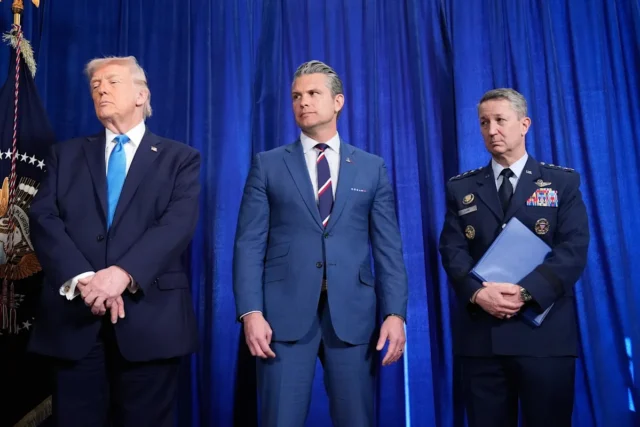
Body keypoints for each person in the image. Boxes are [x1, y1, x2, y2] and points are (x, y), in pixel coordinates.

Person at [27, 56, 201, 427]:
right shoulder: (65, 155)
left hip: (151, 321)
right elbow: (43, 218)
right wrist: (83, 278)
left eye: (112, 82)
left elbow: (176, 225)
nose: (101, 90)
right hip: (75, 319)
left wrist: (122, 274)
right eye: (95, 86)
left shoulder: (180, 159)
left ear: (141, 95)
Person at [233, 60, 408, 426]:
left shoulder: (371, 167)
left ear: (338, 101)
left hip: (353, 316)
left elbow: (388, 248)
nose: (304, 102)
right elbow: (248, 245)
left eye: (313, 93)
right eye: (297, 96)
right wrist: (251, 312)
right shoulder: (267, 165)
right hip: (281, 318)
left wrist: (395, 314)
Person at [439, 88, 590, 427]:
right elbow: (452, 249)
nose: (491, 130)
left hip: (544, 336)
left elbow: (573, 249)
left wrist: (524, 292)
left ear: (524, 124)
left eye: (500, 120)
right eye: (484, 122)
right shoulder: (461, 188)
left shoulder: (561, 183)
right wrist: (478, 294)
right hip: (483, 339)